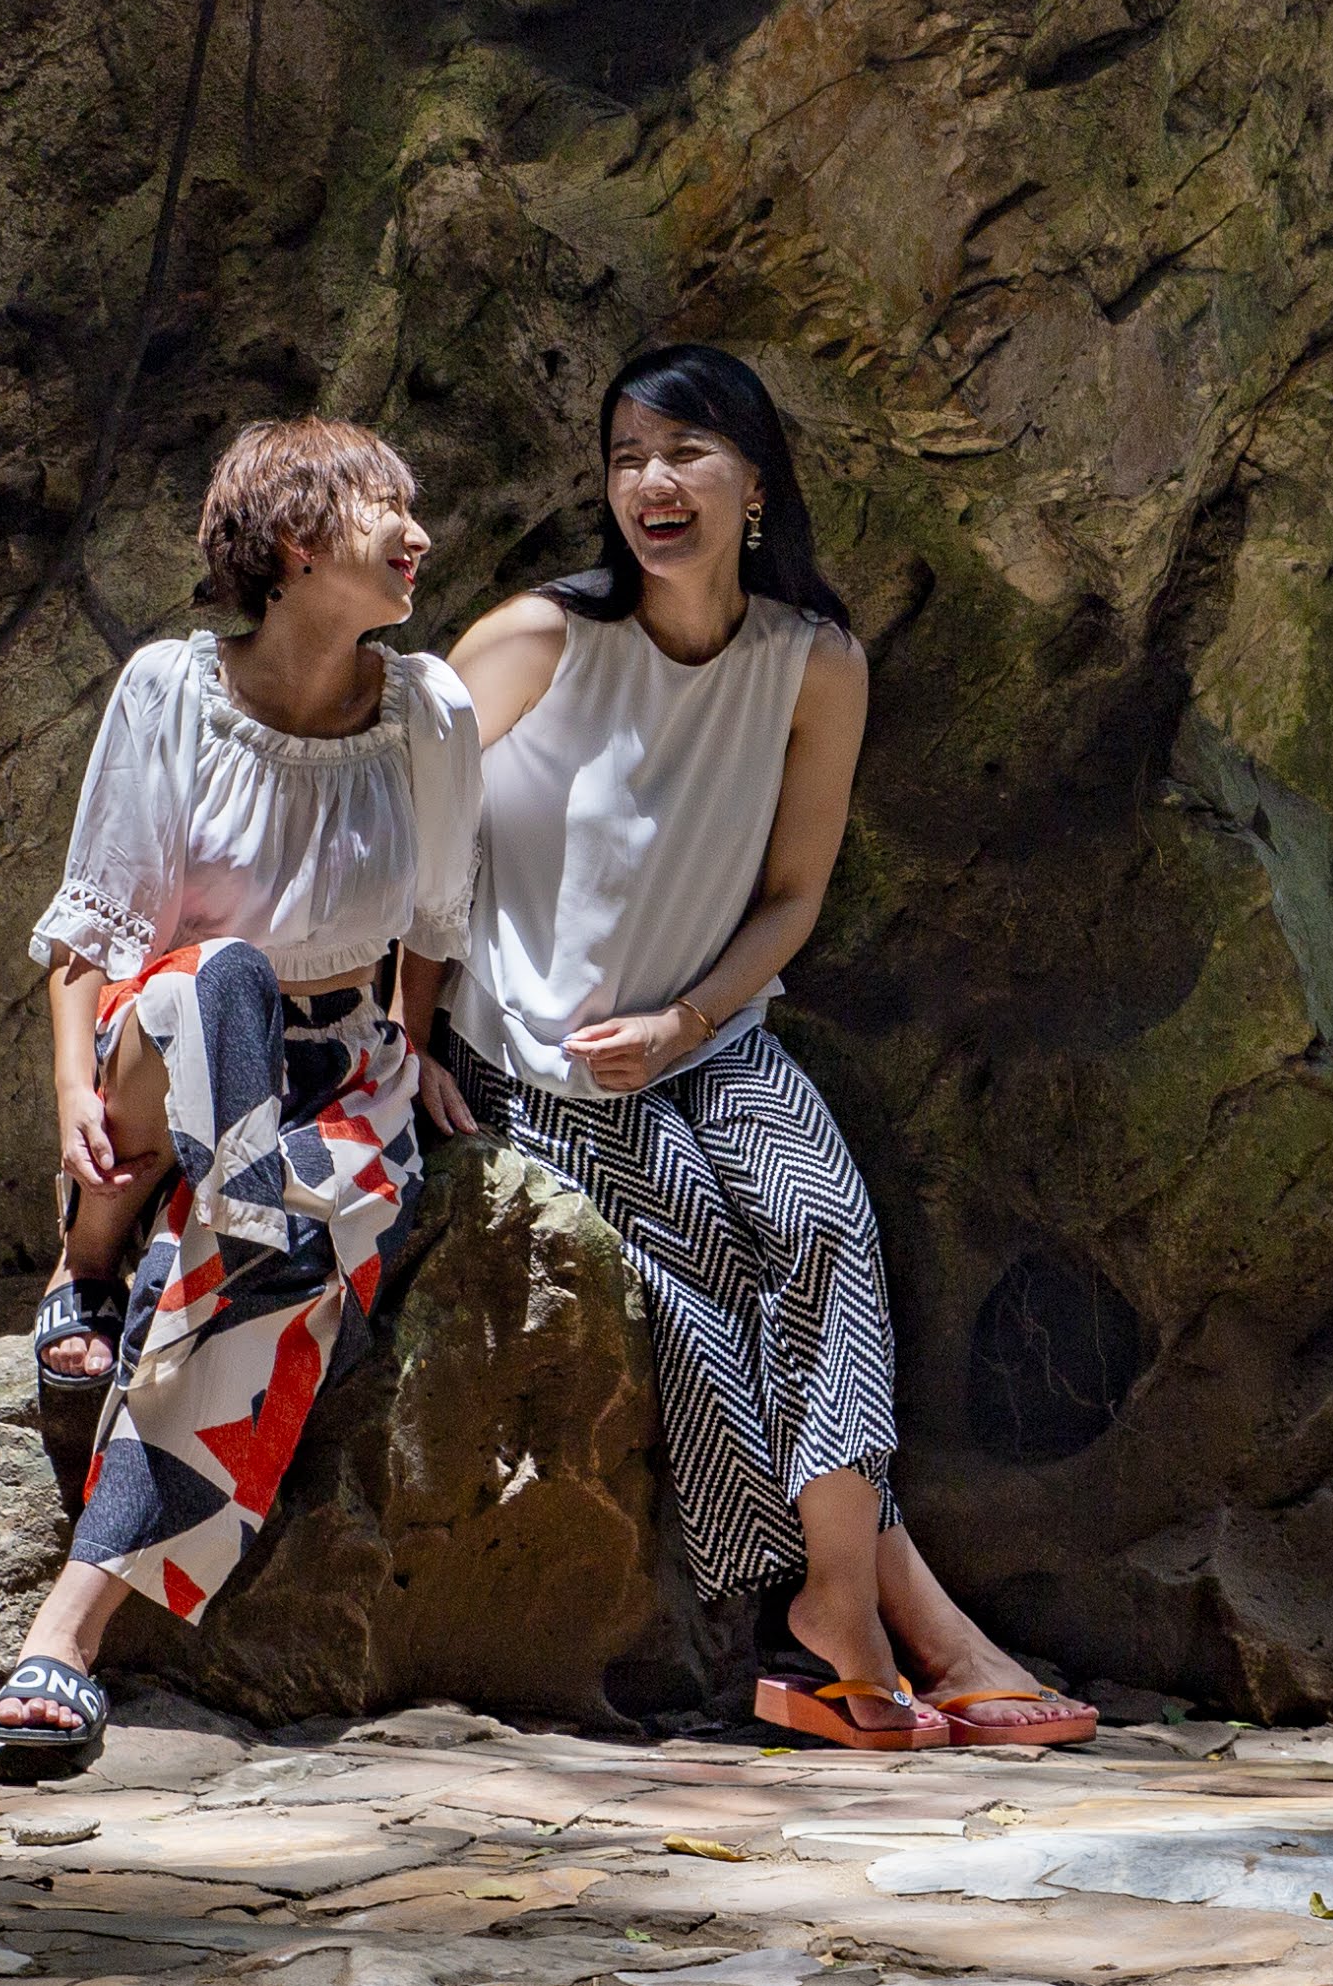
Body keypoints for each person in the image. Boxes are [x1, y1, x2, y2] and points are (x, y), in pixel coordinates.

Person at [424, 344, 1091, 1753]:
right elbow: (395, 833)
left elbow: (793, 894)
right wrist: (398, 1028)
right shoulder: (537, 639)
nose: (649, 483)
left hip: (709, 1035)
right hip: (541, 1056)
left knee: (826, 1229)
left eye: (684, 453)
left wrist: (688, 1017)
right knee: (706, 1304)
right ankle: (883, 1627)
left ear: (756, 483)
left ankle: (839, 1619)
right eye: (624, 456)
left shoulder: (813, 662)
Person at [0, 418, 526, 1768]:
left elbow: (436, 920)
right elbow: (90, 927)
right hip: (165, 1041)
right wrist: (70, 1088)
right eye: (381, 508)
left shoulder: (431, 712)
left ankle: (65, 1634)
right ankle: (94, 1256)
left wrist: (405, 1056)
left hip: (333, 1072)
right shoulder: (170, 689)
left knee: (261, 1262)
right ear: (291, 541)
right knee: (215, 979)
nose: (419, 534)